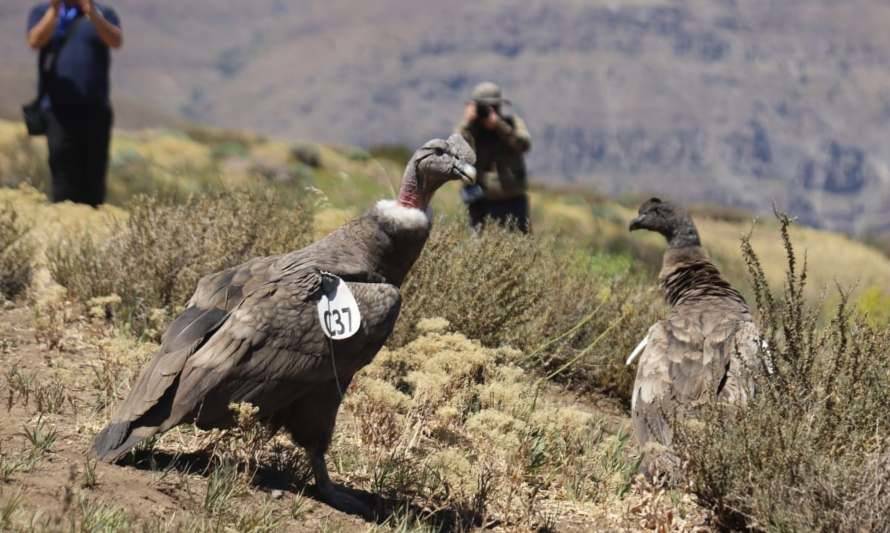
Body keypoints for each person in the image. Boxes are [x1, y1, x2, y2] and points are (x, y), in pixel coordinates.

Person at [26, 0, 122, 207]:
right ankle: (65, 217)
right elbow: (35, 41)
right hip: (57, 109)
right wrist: (54, 11)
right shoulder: (42, 11)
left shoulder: (103, 12)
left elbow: (115, 41)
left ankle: (92, 219)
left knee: (94, 173)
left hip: (95, 108)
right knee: (62, 168)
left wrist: (92, 14)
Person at [456, 82, 532, 233]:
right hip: (480, 201)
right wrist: (467, 123)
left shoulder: (512, 123)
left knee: (519, 244)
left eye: (494, 107)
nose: (489, 112)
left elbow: (524, 145)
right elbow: (456, 149)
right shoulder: (470, 130)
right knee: (479, 246)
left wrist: (500, 126)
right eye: (484, 108)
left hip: (512, 199)